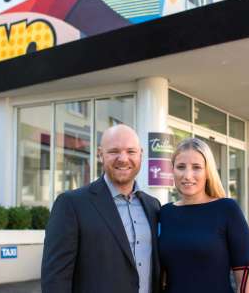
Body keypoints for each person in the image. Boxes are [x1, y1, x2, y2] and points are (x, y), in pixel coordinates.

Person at [41, 124, 161, 293]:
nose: (123, 158)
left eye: (131, 151)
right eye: (114, 151)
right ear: (100, 155)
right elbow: (55, 278)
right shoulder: (71, 204)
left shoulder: (152, 206)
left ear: (141, 154)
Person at [159, 137, 249, 293]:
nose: (187, 175)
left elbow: (245, 283)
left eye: (196, 167)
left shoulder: (227, 209)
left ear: (208, 172)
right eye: (181, 167)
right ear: (172, 170)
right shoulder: (164, 213)